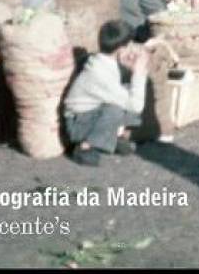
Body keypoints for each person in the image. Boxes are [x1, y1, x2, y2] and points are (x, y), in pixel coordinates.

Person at [63, 20, 150, 167]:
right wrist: (139, 73)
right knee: (117, 109)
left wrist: (129, 69)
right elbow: (136, 105)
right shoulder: (100, 73)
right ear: (121, 49)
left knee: (125, 96)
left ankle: (113, 137)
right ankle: (86, 146)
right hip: (78, 123)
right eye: (130, 45)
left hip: (88, 114)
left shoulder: (103, 61)